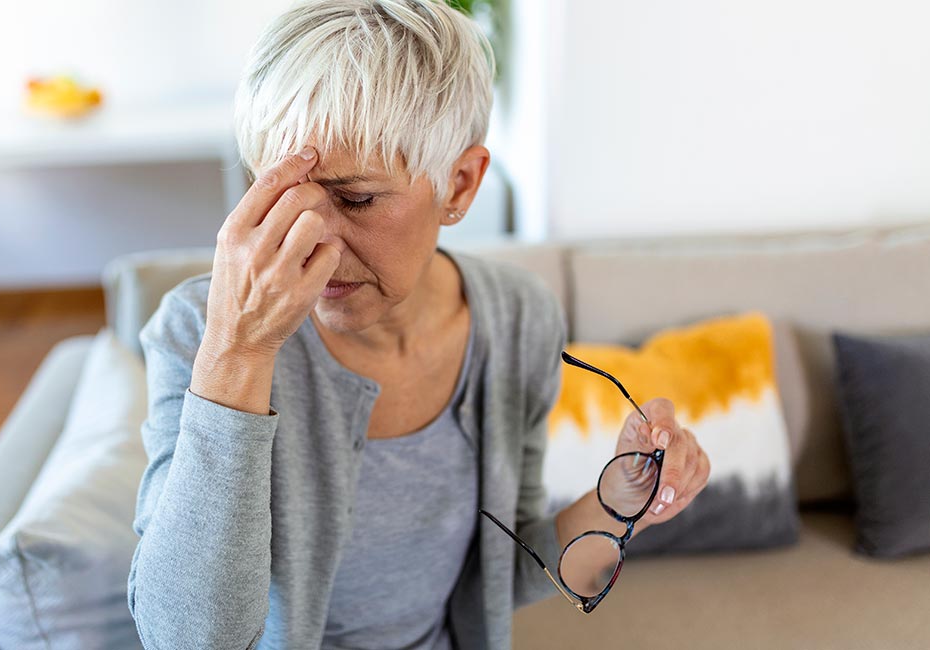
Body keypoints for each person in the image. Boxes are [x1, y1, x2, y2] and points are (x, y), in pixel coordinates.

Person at [127, 1, 710, 648]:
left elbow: (498, 577)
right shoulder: (200, 333)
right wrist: (238, 352)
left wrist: (621, 500)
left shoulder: (519, 321)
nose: (308, 242)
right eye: (281, 195)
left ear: (459, 185)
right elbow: (183, 639)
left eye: (355, 199)